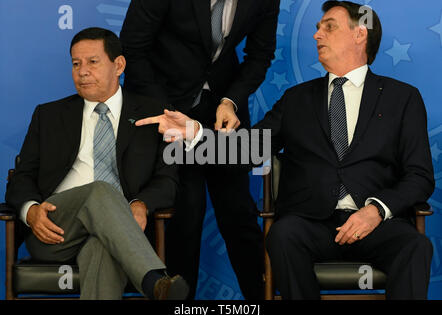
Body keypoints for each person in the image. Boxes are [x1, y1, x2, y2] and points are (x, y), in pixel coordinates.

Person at [135, 1, 435, 299]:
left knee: (416, 246)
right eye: (318, 29)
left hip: (375, 223)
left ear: (360, 35)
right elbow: (248, 150)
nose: (317, 35)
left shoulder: (402, 99)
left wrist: (375, 210)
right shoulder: (296, 100)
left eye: (329, 27)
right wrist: (196, 132)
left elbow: (419, 176)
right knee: (282, 236)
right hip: (309, 226)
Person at [5, 27, 189, 300]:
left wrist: (141, 204)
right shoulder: (49, 115)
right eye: (76, 64)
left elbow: (167, 180)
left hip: (120, 230)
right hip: (57, 228)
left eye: (92, 62)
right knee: (101, 189)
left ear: (119, 65)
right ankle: (152, 279)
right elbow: (21, 178)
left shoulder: (153, 114)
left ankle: (157, 286)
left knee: (102, 248)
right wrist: (31, 212)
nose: (82, 71)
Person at [120, 0, 280, 299]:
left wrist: (231, 100)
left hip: (223, 111)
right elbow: (133, 47)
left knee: (239, 213)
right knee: (185, 214)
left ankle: (263, 297)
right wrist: (166, 110)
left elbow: (260, 55)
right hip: (165, 106)